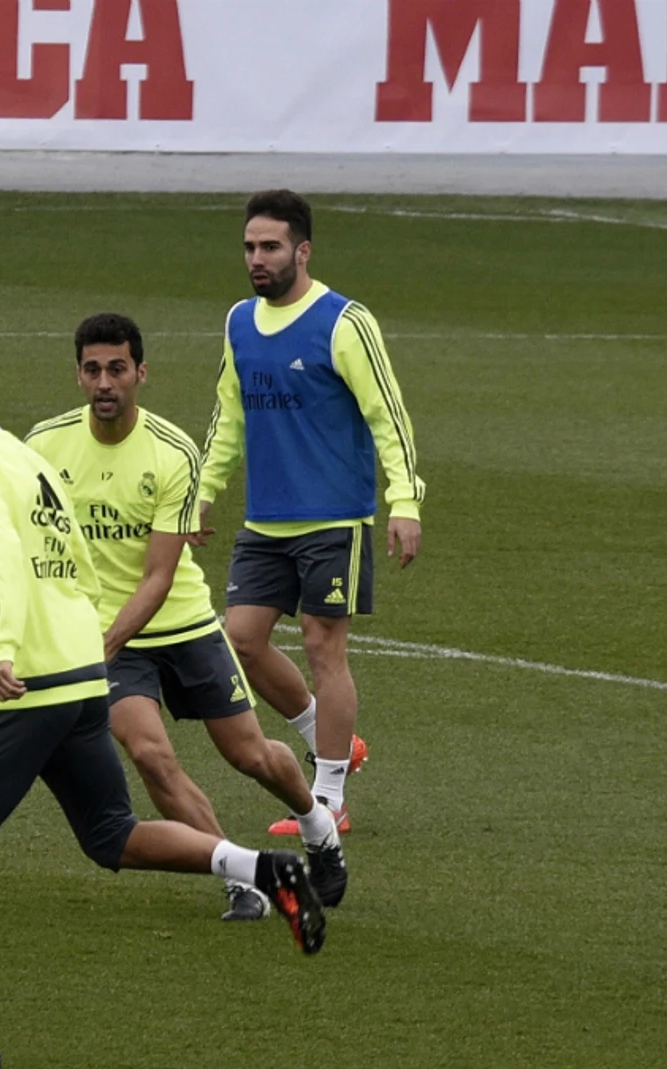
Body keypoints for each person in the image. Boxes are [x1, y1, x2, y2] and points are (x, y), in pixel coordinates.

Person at [0, 338, 325, 1069]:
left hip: (22, 688)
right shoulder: (29, 460)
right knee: (110, 832)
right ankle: (261, 868)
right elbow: (73, 565)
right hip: (83, 675)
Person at [25, 313, 347, 922]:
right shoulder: (43, 447)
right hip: (110, 644)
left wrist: (103, 645)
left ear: (140, 373)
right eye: (92, 370)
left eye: (117, 369)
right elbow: (24, 546)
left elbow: (158, 577)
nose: (104, 383)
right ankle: (243, 879)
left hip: (181, 628)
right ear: (77, 376)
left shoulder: (173, 451)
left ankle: (316, 823)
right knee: (149, 754)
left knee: (252, 756)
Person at [197, 190, 425, 835]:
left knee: (326, 649)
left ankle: (329, 799)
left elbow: (389, 417)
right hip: (265, 521)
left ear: (302, 250)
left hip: (333, 517)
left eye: (270, 247)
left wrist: (404, 503)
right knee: (240, 638)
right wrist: (202, 491)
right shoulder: (240, 321)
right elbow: (228, 417)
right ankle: (332, 740)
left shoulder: (344, 322)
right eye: (249, 247)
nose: (257, 259)